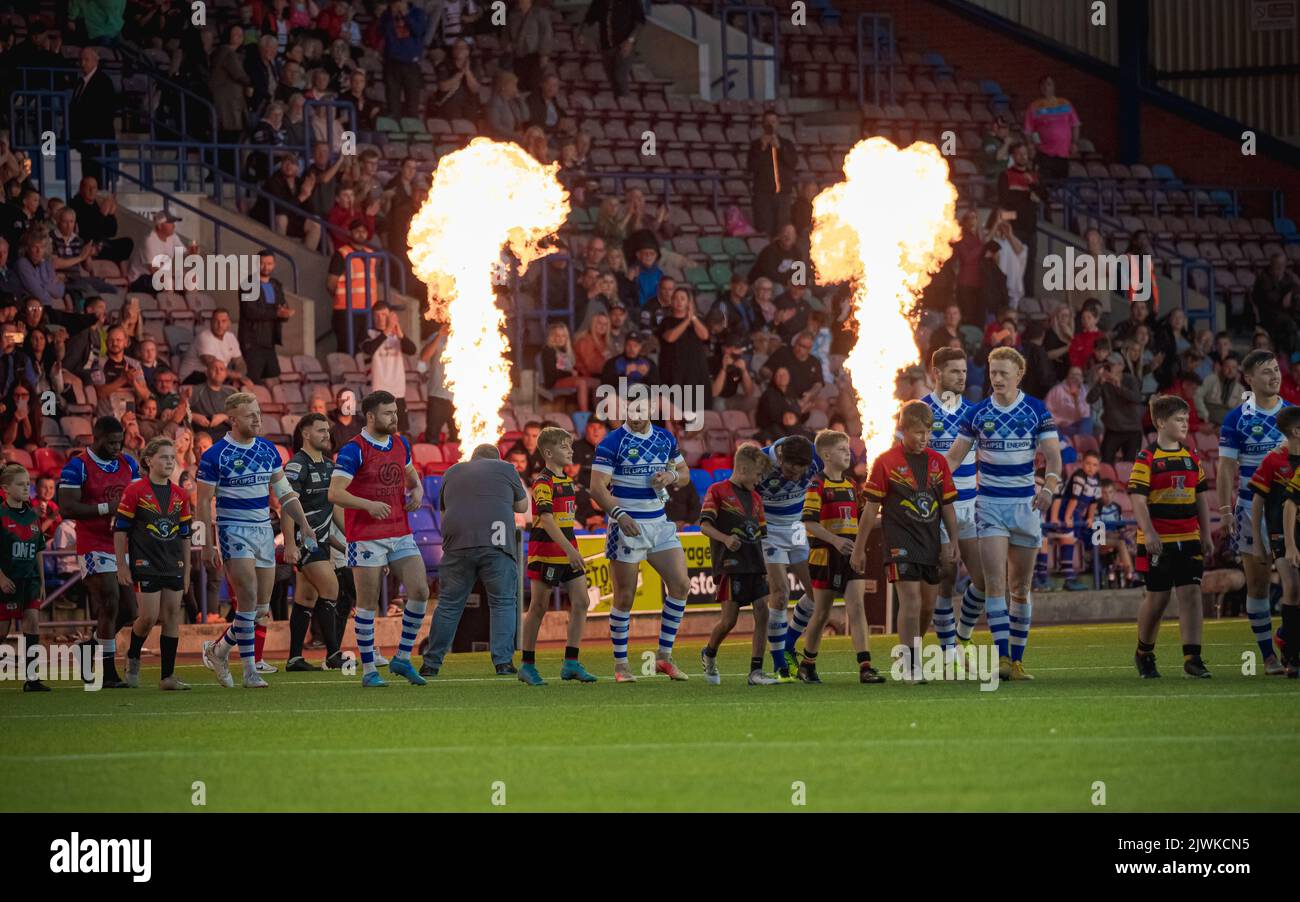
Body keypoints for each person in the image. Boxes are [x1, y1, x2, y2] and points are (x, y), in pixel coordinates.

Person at [944, 347, 1063, 681]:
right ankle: (1004, 659)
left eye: (1002, 373)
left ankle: (1019, 660)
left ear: (1018, 375)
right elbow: (954, 457)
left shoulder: (1037, 411)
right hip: (990, 508)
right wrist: (933, 483)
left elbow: (1053, 460)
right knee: (994, 585)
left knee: (1020, 588)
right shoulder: (978, 413)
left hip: (1025, 507)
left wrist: (1049, 489)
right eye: (992, 372)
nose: (995, 378)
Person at [198, 392, 317, 689]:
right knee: (248, 596)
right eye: (250, 415)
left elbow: (286, 493)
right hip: (232, 529)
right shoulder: (215, 455)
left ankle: (219, 650)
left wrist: (304, 524)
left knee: (260, 609)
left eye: (259, 413)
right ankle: (250, 671)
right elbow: (202, 503)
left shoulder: (268, 450)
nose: (257, 419)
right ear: (234, 419)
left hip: (263, 529)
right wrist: (207, 544)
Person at [327, 391, 429, 687]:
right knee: (368, 602)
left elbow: (411, 476)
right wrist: (368, 505)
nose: (394, 418)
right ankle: (370, 669)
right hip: (366, 537)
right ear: (370, 416)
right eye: (387, 413)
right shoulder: (353, 449)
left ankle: (402, 657)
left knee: (420, 591)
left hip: (400, 532)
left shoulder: (401, 443)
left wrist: (418, 491)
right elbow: (335, 493)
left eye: (395, 412)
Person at [588, 402, 693, 681]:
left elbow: (684, 474)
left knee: (681, 585)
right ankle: (621, 665)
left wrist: (670, 476)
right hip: (626, 526)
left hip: (659, 524)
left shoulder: (664, 438)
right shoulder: (612, 442)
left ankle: (664, 657)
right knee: (625, 596)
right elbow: (596, 487)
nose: (634, 419)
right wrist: (619, 515)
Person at [854, 405, 959, 682]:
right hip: (899, 541)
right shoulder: (885, 462)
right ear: (903, 430)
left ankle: (908, 651)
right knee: (910, 601)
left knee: (927, 605)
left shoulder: (938, 462)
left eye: (928, 432)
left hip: (931, 541)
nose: (924, 438)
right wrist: (859, 546)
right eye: (918, 432)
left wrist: (952, 541)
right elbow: (870, 508)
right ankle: (912, 665)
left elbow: (947, 506)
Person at [422, 442, 526, 678]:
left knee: (449, 604)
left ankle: (431, 663)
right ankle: (503, 662)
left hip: (458, 544)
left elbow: (442, 515)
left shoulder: (451, 471)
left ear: (473, 457)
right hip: (496, 545)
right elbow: (522, 505)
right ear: (496, 458)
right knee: (502, 603)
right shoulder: (506, 468)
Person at [794, 429, 890, 684]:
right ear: (826, 454)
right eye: (841, 450)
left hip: (850, 556)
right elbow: (809, 523)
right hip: (825, 556)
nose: (848, 454)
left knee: (857, 607)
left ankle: (865, 666)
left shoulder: (850, 486)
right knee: (822, 612)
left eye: (848, 450)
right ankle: (807, 663)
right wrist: (836, 540)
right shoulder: (817, 484)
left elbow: (862, 519)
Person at [1216, 348, 1290, 677]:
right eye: (1266, 371)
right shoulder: (1236, 418)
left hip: (1291, 508)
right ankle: (1269, 657)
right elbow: (1226, 469)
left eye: (1276, 369)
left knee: (1295, 583)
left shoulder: (1293, 414)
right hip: (1251, 510)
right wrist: (1225, 511)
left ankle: (1290, 643)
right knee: (1258, 585)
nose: (1274, 375)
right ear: (1249, 379)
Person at [1130, 395, 1214, 679]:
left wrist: (1206, 533)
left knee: (1191, 594)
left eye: (1186, 419)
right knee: (1158, 599)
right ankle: (1144, 652)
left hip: (1189, 536)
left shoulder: (1191, 456)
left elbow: (1201, 496)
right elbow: (1138, 500)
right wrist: (1149, 532)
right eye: (1179, 419)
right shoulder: (1147, 457)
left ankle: (1193, 658)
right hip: (1158, 541)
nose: (1185, 424)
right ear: (1161, 422)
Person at [59, 415, 140, 688]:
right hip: (93, 542)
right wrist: (107, 508)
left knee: (130, 611)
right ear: (97, 438)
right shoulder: (77, 466)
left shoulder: (129, 463)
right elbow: (67, 508)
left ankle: (89, 647)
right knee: (110, 600)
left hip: (121, 543)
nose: (117, 448)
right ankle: (108, 672)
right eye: (112, 443)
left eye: (120, 442)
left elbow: (138, 497)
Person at [517, 427, 598, 685]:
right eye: (565, 447)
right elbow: (547, 521)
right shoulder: (543, 482)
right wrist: (570, 549)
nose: (571, 451)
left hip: (566, 549)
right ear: (549, 452)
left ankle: (571, 662)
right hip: (547, 551)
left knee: (582, 602)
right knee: (539, 607)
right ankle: (527, 665)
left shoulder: (567, 480)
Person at [113, 437, 192, 690]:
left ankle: (167, 677)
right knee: (148, 617)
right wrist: (121, 565)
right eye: (164, 457)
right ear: (149, 461)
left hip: (173, 562)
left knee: (171, 615)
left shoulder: (181, 495)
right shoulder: (134, 491)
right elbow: (120, 531)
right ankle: (133, 656)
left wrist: (187, 569)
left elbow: (185, 535)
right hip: (145, 561)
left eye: (172, 457)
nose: (170, 462)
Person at [698, 444, 777, 686]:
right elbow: (704, 525)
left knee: (763, 612)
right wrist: (725, 539)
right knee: (729, 621)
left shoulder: (756, 498)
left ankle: (756, 671)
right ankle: (709, 652)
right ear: (742, 468)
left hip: (755, 562)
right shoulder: (717, 490)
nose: (760, 480)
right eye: (758, 474)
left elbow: (762, 534)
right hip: (730, 564)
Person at [923, 350, 984, 669]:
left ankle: (962, 635)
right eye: (954, 371)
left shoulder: (973, 413)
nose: (962, 376)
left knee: (985, 580)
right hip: (935, 509)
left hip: (970, 507)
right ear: (937, 373)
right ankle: (948, 652)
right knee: (945, 577)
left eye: (964, 371)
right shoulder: (920, 412)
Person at [751, 434, 822, 680]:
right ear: (780, 457)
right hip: (769, 530)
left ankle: (790, 642)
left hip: (796, 528)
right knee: (780, 594)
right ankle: (780, 663)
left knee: (817, 594)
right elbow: (740, 490)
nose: (795, 475)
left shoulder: (815, 457)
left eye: (801, 470)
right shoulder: (760, 461)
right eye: (791, 469)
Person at [281, 413, 345, 671]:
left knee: (306, 597)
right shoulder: (297, 465)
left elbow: (335, 509)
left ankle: (295, 658)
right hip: (304, 541)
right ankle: (333, 654)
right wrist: (289, 544)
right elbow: (287, 505)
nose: (326, 434)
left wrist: (347, 541)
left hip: (323, 541)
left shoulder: (330, 466)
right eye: (320, 430)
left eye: (327, 430)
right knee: (331, 589)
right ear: (306, 434)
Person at [1249, 405, 1300, 677]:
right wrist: (1258, 541)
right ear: (1295, 431)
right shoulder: (1273, 461)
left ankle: (1284, 635)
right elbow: (1257, 502)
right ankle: (1292, 657)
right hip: (1281, 534)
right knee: (1292, 587)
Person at [0, 464, 49, 691]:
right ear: (5, 488)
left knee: (32, 622)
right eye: (20, 484)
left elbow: (39, 549)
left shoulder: (32, 514)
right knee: (3, 629)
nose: (26, 487)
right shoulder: (1, 515)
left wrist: (42, 580)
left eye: (28, 483)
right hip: (8, 580)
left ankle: (32, 679)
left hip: (30, 580)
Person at [239, 250, 294, 383]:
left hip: (270, 341)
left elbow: (281, 307)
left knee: (273, 379)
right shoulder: (248, 284)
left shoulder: (276, 284)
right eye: (262, 263)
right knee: (252, 381)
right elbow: (250, 312)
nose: (266, 267)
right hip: (252, 341)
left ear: (274, 265)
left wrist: (285, 314)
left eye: (269, 263)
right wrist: (277, 313)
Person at [69, 47, 117, 184]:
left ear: (96, 61)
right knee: (88, 178)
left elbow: (105, 113)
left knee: (98, 181)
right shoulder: (80, 83)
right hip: (84, 143)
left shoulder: (103, 81)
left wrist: (95, 139)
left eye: (86, 60)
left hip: (97, 143)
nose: (82, 63)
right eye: (81, 60)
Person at [746, 110, 798, 237]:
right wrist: (762, 148)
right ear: (763, 125)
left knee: (782, 230)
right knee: (764, 230)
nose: (771, 125)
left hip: (783, 194)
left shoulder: (787, 144)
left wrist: (780, 148)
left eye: (773, 122)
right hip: (763, 195)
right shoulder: (756, 145)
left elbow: (793, 163)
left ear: (778, 124)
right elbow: (751, 167)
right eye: (767, 122)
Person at [580, 0, 645, 98]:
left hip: (624, 45)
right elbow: (589, 19)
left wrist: (630, 40)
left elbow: (640, 21)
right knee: (612, 80)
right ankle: (619, 104)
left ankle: (625, 103)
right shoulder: (599, 2)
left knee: (620, 76)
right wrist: (582, 32)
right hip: (606, 46)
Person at [1022, 75, 1080, 184]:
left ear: (1054, 86)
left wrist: (1074, 143)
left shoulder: (1065, 103)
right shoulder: (1034, 106)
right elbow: (1030, 130)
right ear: (1039, 88)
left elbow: (1075, 124)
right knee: (1045, 185)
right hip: (1044, 155)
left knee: (1062, 186)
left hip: (1063, 154)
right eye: (1042, 84)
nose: (1045, 87)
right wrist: (1034, 145)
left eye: (1049, 84)